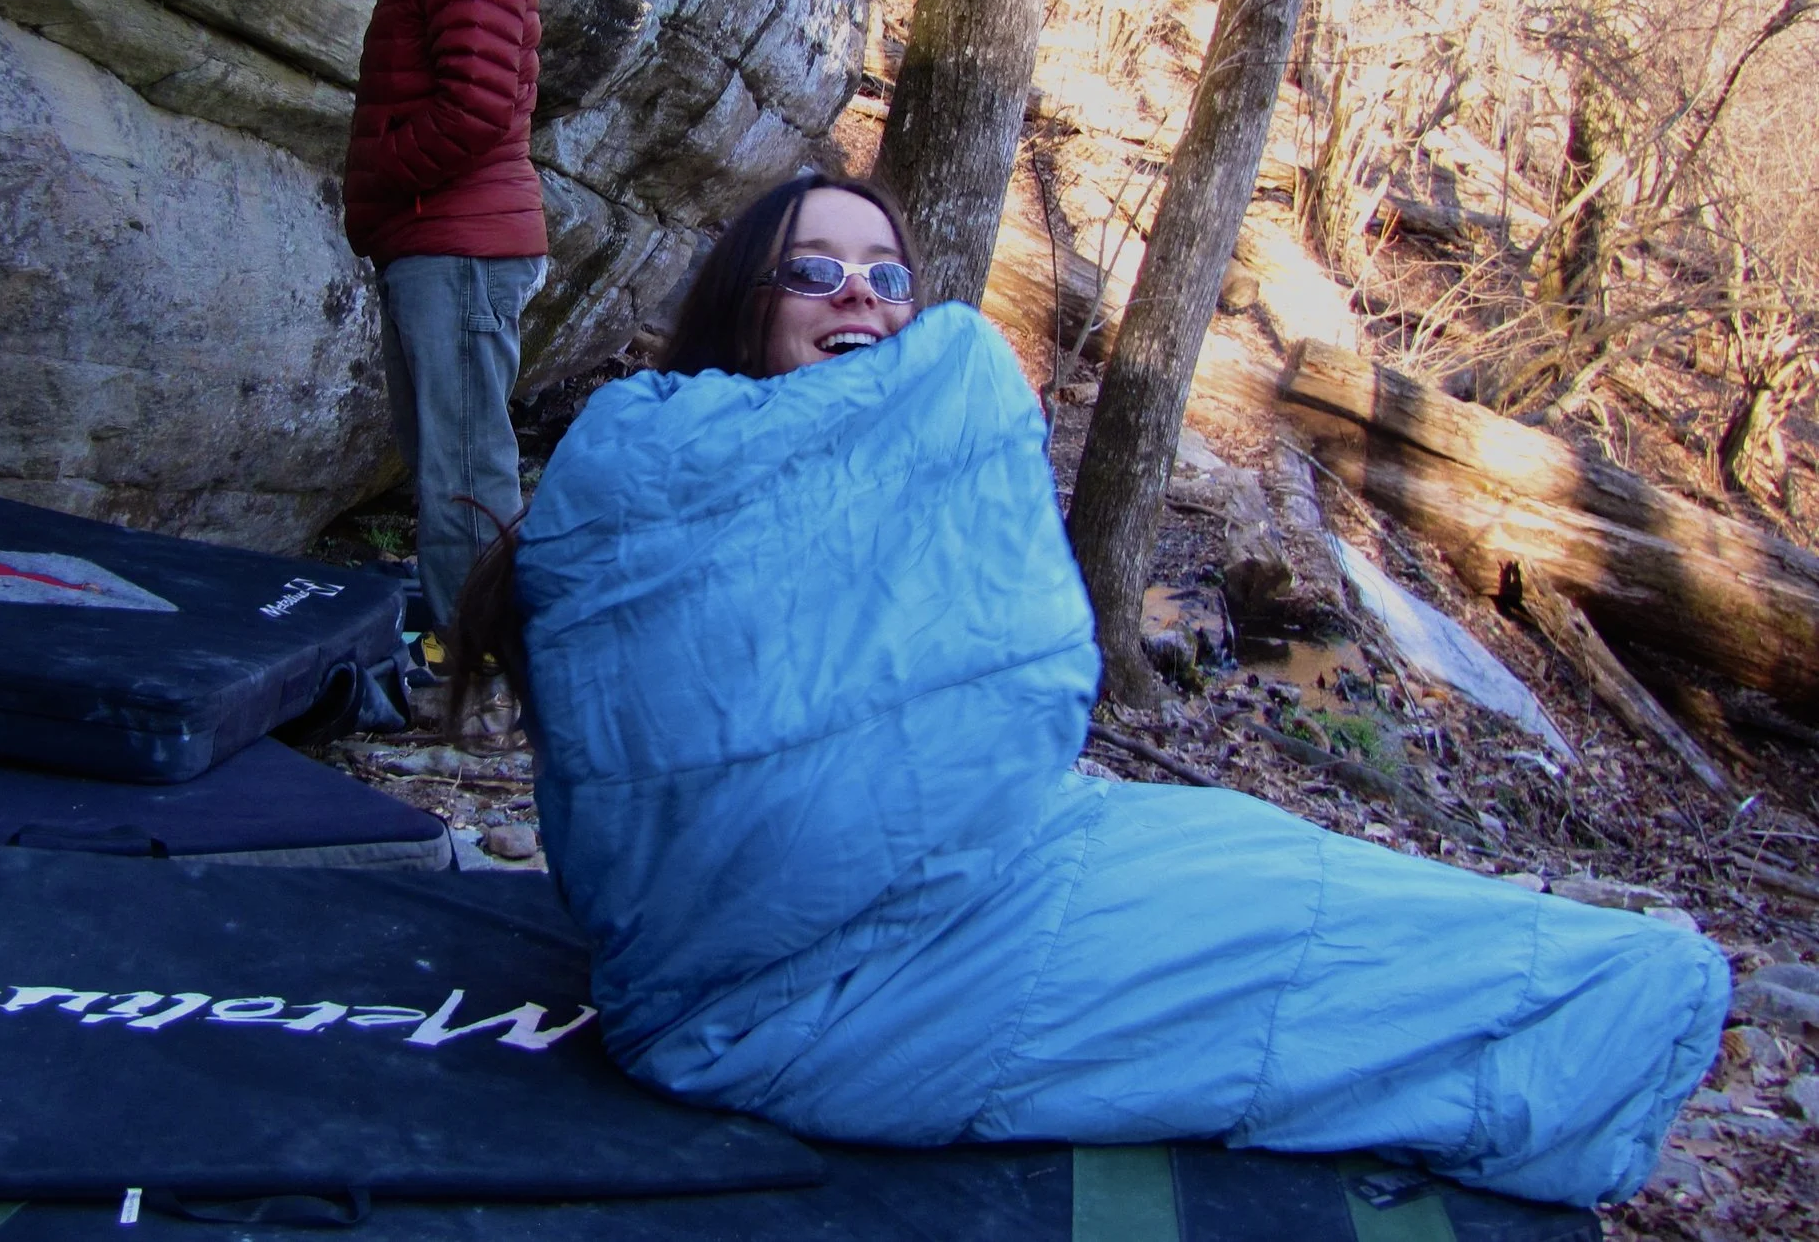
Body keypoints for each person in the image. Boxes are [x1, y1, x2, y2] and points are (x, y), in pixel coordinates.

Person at [449, 172, 1725, 1210]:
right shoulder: (643, 450)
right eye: (813, 269)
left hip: (986, 865)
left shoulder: (908, 468)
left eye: (889, 277)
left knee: (1263, 855)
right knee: (1302, 940)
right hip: (792, 987)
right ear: (746, 297)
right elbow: (691, 737)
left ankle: (1600, 1016)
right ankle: (1603, 1016)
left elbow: (983, 682)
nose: (861, 297)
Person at [342, 0, 548, 635]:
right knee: (446, 459)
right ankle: (469, 650)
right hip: (431, 236)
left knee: (465, 463)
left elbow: (478, 107)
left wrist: (378, 170)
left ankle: (483, 670)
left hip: (458, 241)